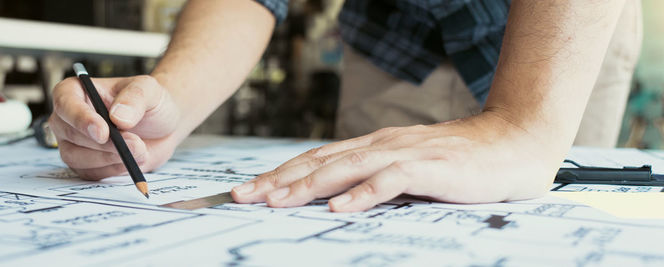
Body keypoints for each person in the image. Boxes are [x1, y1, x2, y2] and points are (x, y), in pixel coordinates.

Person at [48, 0, 641, 212]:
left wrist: (524, 125)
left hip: (560, 31)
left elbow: (531, 134)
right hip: (395, 38)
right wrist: (173, 96)